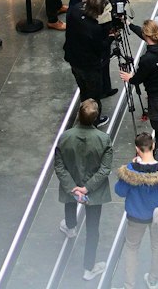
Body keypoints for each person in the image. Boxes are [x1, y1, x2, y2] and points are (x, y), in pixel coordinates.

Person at [55, 98, 114, 279]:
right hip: (94, 191)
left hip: (71, 185)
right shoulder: (103, 139)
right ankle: (89, 268)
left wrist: (73, 188)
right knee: (92, 228)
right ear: (96, 118)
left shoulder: (65, 137)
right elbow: (105, 169)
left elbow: (59, 166)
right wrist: (86, 188)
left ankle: (70, 226)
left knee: (69, 202)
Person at [113, 132, 158, 289]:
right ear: (154, 146)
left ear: (137, 149)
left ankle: (129, 285)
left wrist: (130, 167)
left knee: (131, 248)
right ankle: (153, 279)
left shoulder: (130, 171)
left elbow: (120, 191)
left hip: (136, 216)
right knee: (157, 246)